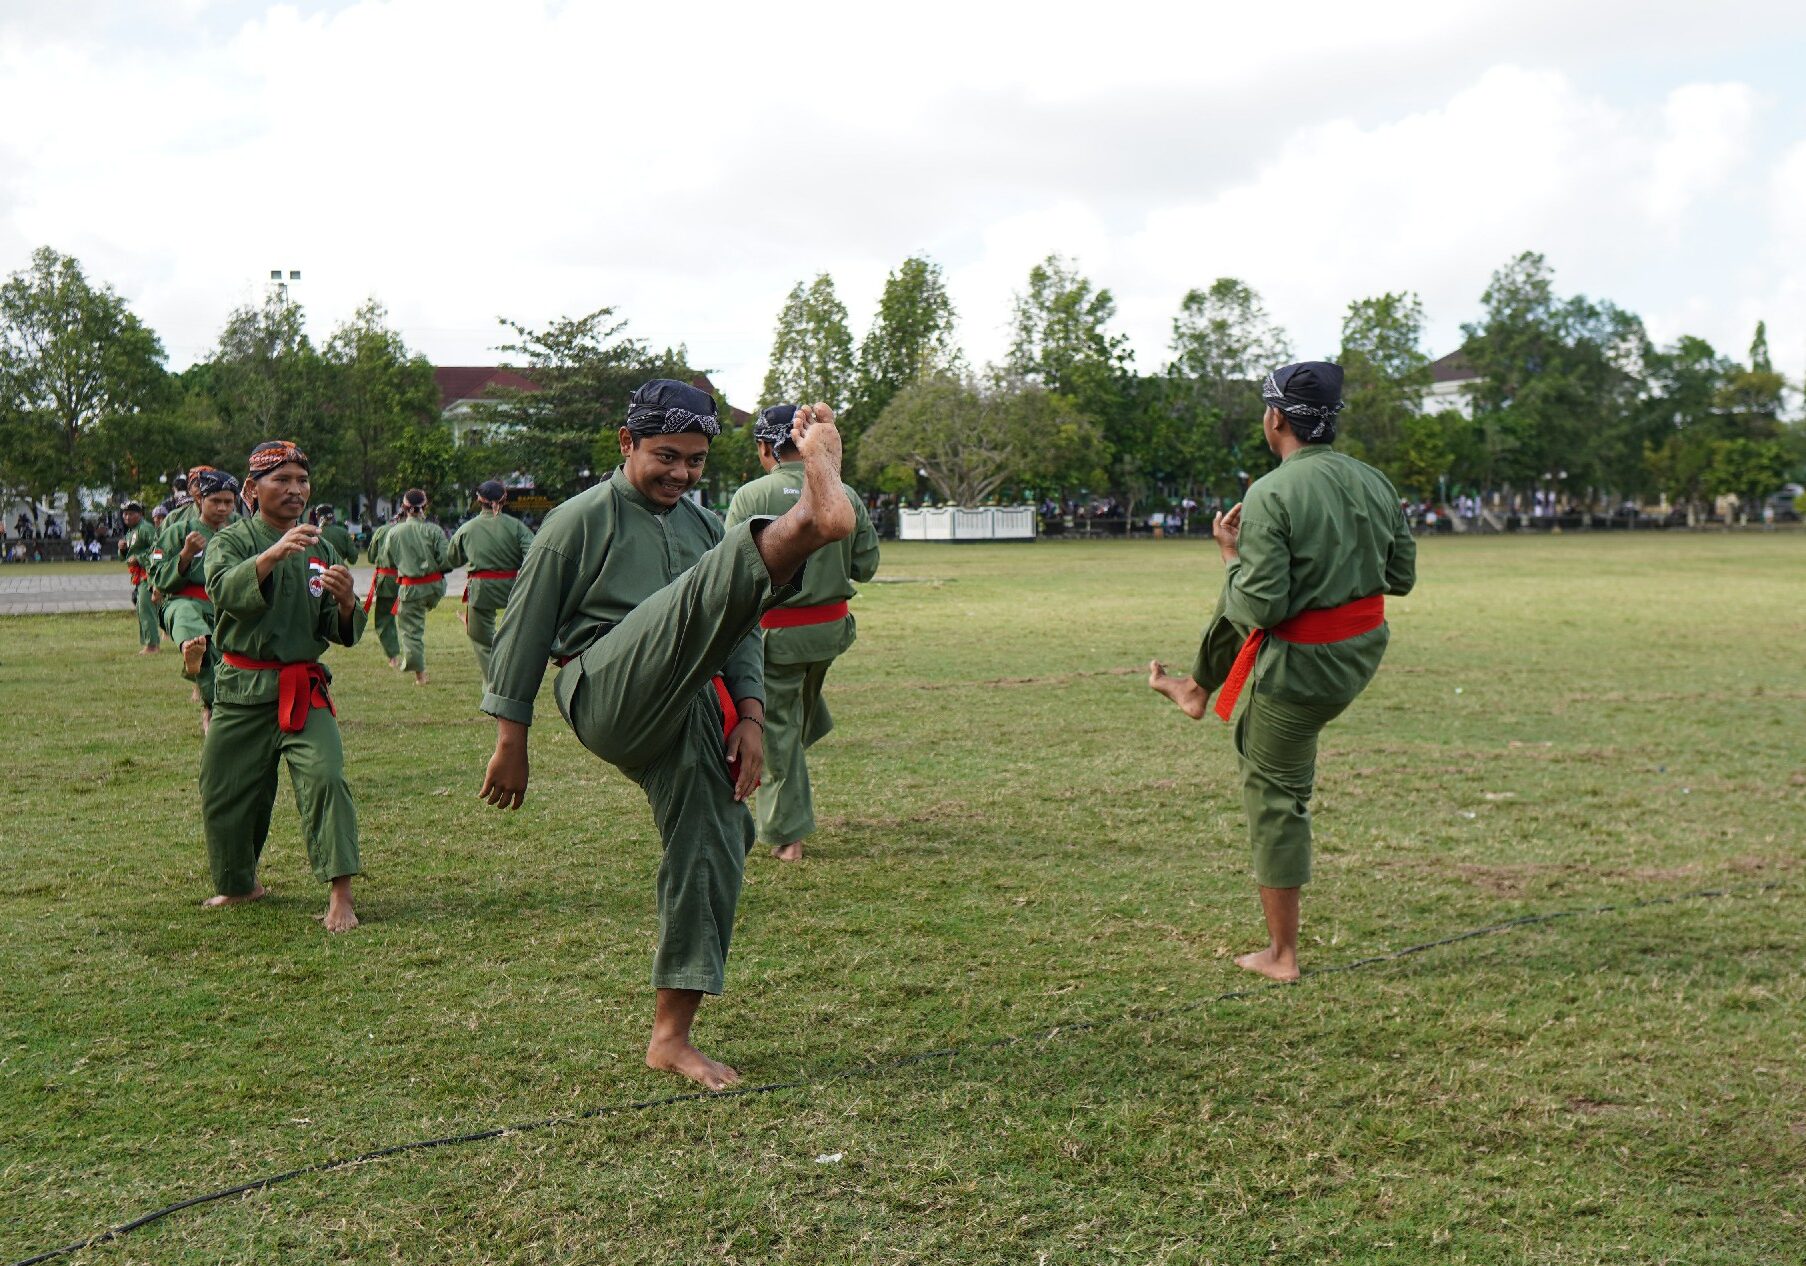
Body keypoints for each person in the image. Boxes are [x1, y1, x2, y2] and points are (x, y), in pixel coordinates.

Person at [478, 381, 854, 1091]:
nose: (680, 474)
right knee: (698, 594)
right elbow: (523, 631)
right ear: (627, 444)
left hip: (690, 699)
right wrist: (511, 738)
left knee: (718, 836)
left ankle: (671, 1037)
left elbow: (738, 630)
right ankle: (808, 519)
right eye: (665, 456)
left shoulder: (705, 527)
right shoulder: (576, 521)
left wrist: (748, 715)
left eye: (696, 461)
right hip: (606, 682)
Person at [1147, 362, 1416, 982]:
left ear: (1275, 419)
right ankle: (1196, 687)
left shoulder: (1271, 491)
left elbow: (1262, 606)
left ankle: (1281, 955)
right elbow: (1400, 578)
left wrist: (1231, 557)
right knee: (1238, 592)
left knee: (1275, 794)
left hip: (1307, 665)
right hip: (1360, 651)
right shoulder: (1374, 480)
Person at [200, 440, 365, 932]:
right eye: (282, 480)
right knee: (224, 791)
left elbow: (337, 629)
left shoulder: (321, 546)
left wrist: (345, 604)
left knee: (326, 778)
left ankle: (341, 894)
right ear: (252, 488)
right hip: (241, 692)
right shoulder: (230, 541)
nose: (296, 490)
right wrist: (270, 555)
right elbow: (223, 590)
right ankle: (239, 883)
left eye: (302, 481)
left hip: (302, 689)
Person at [723, 404, 880, 862]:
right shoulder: (843, 492)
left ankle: (789, 834)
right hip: (829, 632)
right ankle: (802, 737)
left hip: (774, 638)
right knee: (792, 717)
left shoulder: (751, 497)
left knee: (778, 732)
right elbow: (866, 566)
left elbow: (730, 571)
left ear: (764, 447)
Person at [151, 471, 242, 735]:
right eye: (216, 501)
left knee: (221, 667)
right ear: (200, 500)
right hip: (186, 599)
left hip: (225, 606)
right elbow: (158, 576)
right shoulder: (178, 532)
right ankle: (190, 646)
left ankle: (215, 715)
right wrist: (186, 555)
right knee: (188, 619)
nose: (223, 507)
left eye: (228, 501)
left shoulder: (239, 533)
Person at [445, 479, 535, 697]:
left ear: (479, 500)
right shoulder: (517, 527)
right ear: (504, 499)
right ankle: (514, 677)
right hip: (513, 588)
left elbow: (452, 559)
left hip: (481, 589)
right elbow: (534, 552)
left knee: (480, 638)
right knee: (516, 634)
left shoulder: (467, 529)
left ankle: (493, 683)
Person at [385, 489, 448, 685]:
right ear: (425, 507)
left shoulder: (394, 532)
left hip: (411, 589)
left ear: (403, 508)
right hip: (435, 588)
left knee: (412, 631)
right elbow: (447, 561)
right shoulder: (435, 531)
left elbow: (388, 562)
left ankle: (420, 676)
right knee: (417, 617)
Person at [118, 502, 163, 654]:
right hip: (139, 575)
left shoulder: (146, 529)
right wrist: (123, 550)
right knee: (141, 608)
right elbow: (127, 557)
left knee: (146, 608)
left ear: (140, 514)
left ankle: (152, 645)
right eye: (125, 514)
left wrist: (140, 558)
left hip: (149, 574)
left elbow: (159, 550)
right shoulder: (132, 531)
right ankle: (149, 643)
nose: (127, 516)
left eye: (131, 513)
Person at [364, 506, 403, 668]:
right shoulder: (415, 531)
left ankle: (393, 656)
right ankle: (413, 655)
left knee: (385, 620)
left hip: (387, 581)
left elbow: (371, 556)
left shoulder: (381, 531)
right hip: (412, 581)